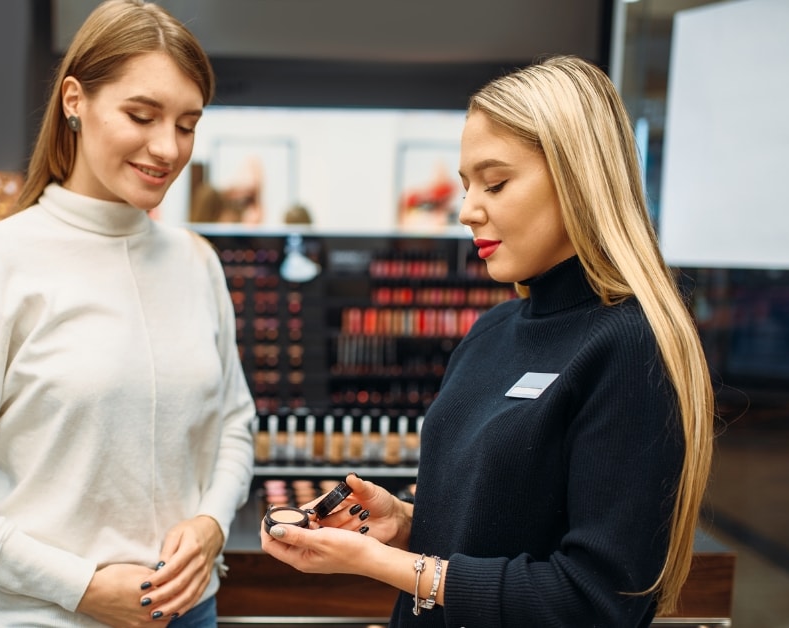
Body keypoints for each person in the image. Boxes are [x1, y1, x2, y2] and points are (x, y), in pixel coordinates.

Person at [260, 55, 714, 627]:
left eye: (495, 183)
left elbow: (597, 602)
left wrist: (389, 566)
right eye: (466, 185)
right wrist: (403, 523)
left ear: (579, 177)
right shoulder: (491, 332)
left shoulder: (630, 346)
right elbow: (496, 527)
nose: (468, 210)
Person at [0, 2, 256, 626]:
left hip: (190, 613)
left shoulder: (197, 262)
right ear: (74, 100)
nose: (167, 147)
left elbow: (232, 427)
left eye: (187, 124)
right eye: (142, 115)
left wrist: (212, 522)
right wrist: (78, 586)